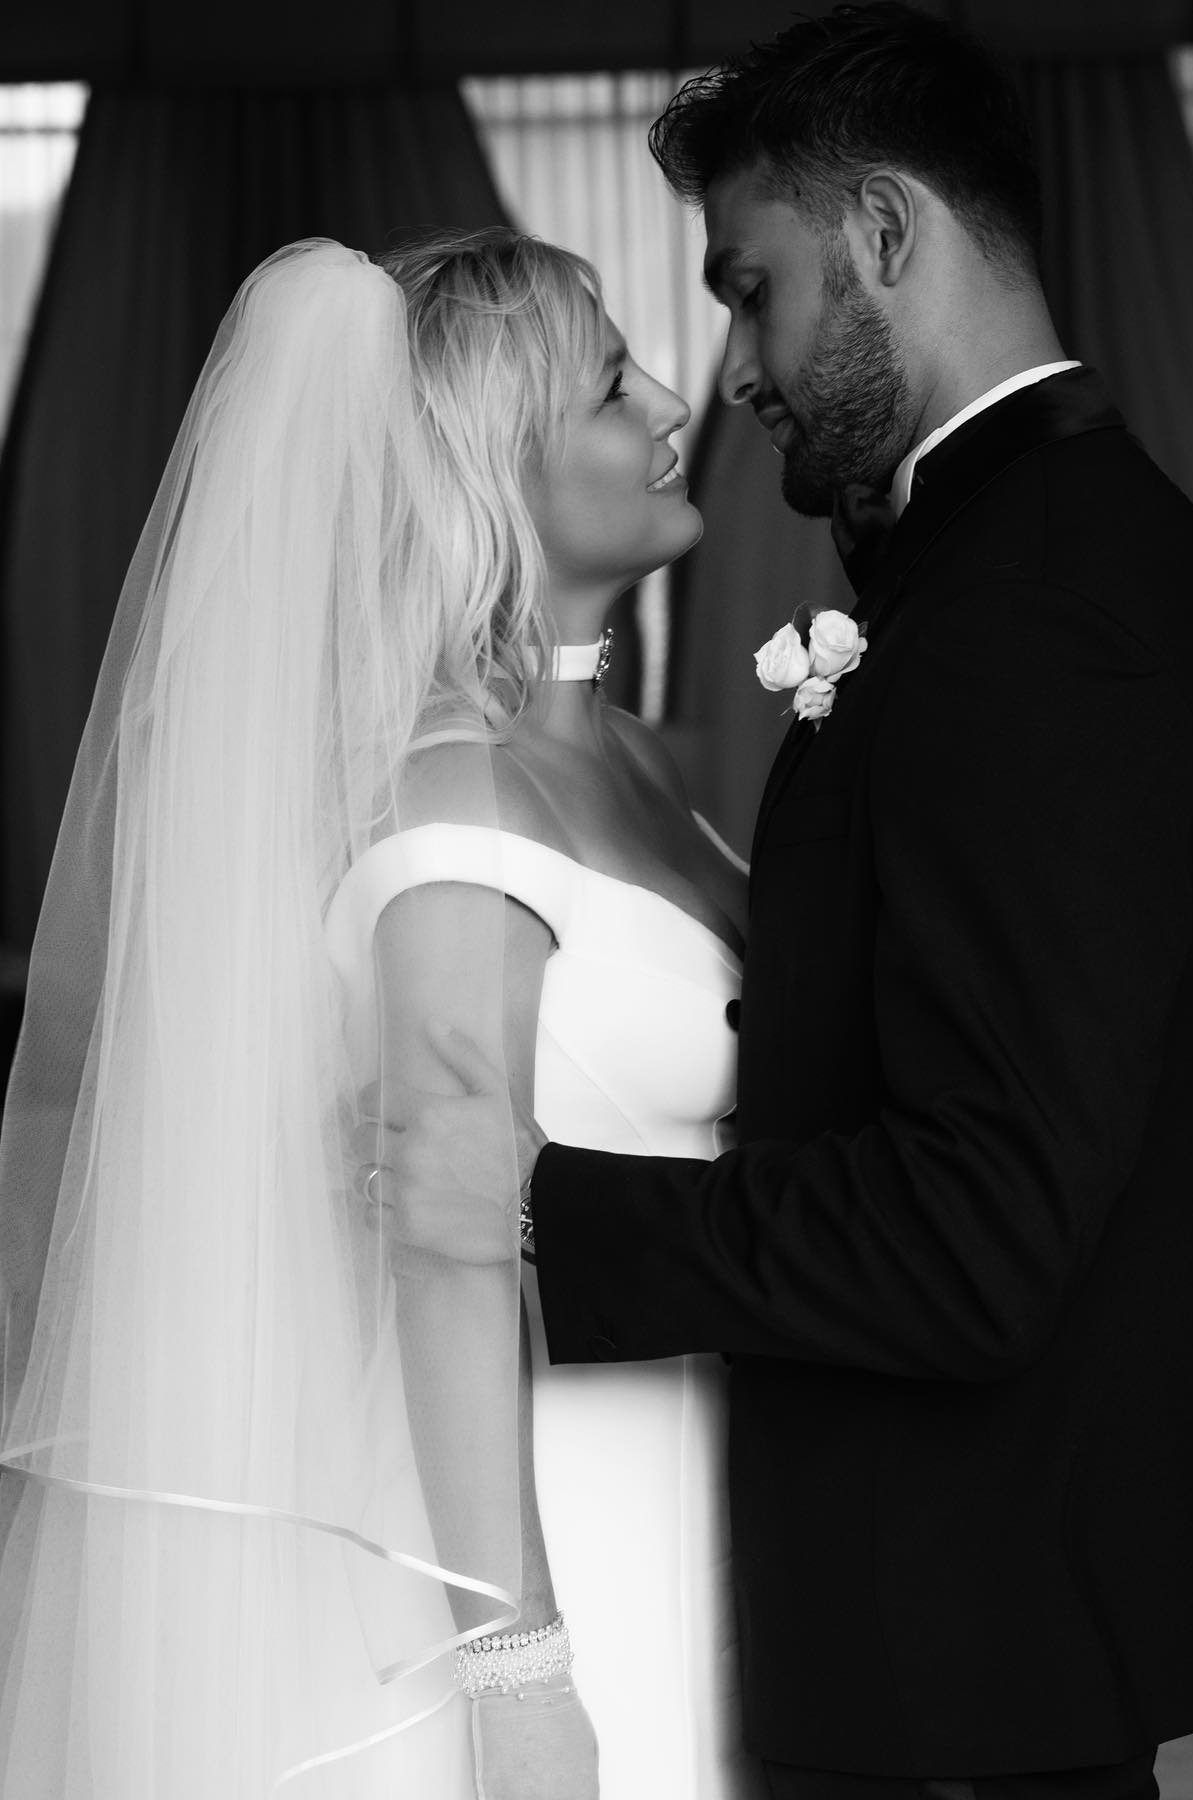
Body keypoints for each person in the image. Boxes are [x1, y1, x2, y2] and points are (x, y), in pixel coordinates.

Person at [364, 7, 1193, 1798]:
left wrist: (547, 1206)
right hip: (887, 1624)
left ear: (881, 231)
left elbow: (978, 1230)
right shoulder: (1012, 561)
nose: (724, 377)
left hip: (963, 1653)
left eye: (748, 290)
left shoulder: (1033, 608)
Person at [0, 230, 764, 1797]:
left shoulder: (635, 765)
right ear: (494, 473)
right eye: (612, 386)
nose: (673, 400)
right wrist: (520, 1675)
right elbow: (444, 1244)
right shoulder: (452, 793)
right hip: (543, 1536)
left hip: (685, 1464)